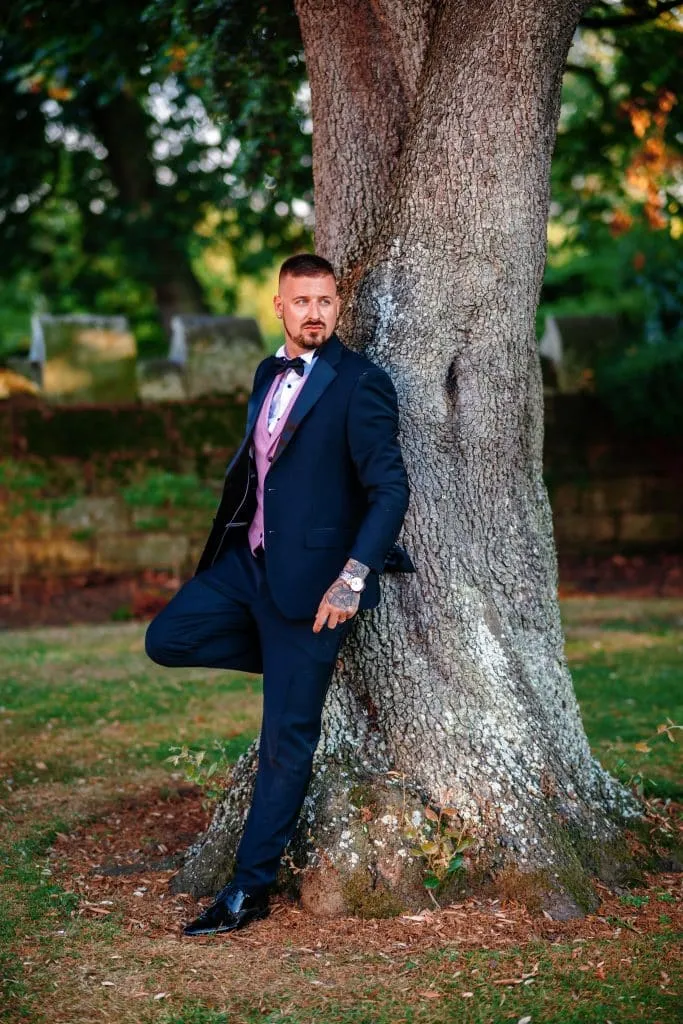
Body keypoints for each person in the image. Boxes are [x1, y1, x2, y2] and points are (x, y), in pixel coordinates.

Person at [145, 252, 413, 936]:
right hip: (251, 566)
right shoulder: (267, 373)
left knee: (283, 745)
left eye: (325, 301)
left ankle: (247, 890)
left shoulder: (361, 384)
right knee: (167, 638)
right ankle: (296, 663)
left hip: (319, 590)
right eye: (302, 301)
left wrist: (352, 577)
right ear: (279, 307)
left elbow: (390, 488)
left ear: (336, 307)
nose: (315, 313)